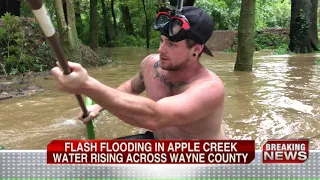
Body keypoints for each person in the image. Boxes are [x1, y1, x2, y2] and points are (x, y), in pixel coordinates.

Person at [51, 6, 227, 140]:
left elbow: (154, 117)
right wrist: (98, 106)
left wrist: (87, 85)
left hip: (199, 162)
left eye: (171, 44)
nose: (161, 49)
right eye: (162, 40)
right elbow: (131, 86)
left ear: (196, 50)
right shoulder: (151, 64)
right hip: (156, 144)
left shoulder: (210, 88)